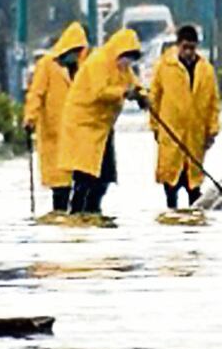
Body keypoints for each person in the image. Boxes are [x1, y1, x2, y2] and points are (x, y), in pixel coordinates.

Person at [57, 28, 146, 214]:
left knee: (104, 177)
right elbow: (100, 92)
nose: (127, 62)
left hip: (102, 128)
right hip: (83, 125)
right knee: (85, 174)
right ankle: (77, 213)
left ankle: (93, 210)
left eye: (131, 58)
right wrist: (124, 93)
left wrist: (142, 96)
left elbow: (134, 84)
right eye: (126, 56)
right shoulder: (98, 62)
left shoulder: (123, 69)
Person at [149, 24, 220, 209]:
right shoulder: (164, 67)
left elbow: (213, 102)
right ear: (178, 45)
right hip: (171, 135)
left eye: (192, 48)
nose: (188, 52)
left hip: (195, 137)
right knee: (170, 187)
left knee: (194, 188)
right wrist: (155, 127)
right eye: (185, 47)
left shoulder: (206, 70)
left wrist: (212, 130)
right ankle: (172, 218)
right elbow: (154, 99)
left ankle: (193, 223)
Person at [23, 22, 89, 212]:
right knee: (60, 184)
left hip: (77, 134)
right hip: (55, 133)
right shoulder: (47, 65)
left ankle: (74, 216)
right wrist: (30, 118)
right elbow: (36, 93)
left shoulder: (83, 68)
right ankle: (59, 215)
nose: (77, 54)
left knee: (80, 183)